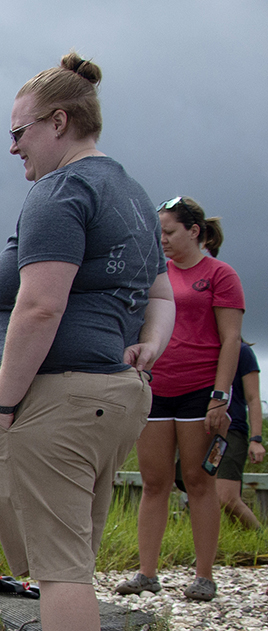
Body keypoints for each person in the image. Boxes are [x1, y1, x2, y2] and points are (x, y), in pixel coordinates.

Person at [0, 53, 174, 631]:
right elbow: (161, 294)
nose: (14, 147)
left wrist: (4, 403)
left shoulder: (61, 192)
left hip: (60, 399)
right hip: (116, 397)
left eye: (20, 131)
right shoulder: (128, 190)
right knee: (74, 563)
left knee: (61, 570)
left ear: (59, 122)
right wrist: (148, 345)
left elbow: (39, 304)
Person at [115, 197, 244, 602]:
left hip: (200, 389)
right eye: (160, 234)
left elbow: (232, 340)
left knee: (198, 480)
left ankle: (204, 576)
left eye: (169, 232)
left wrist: (220, 397)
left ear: (194, 231)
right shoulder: (157, 274)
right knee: (155, 482)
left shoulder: (220, 275)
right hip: (156, 387)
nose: (163, 240)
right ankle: (147, 573)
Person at [215, 341, 263, 529]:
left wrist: (256, 439)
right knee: (206, 495)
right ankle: (235, 538)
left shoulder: (242, 352)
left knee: (227, 497)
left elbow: (253, 398)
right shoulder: (202, 349)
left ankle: (260, 539)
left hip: (231, 432)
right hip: (201, 429)